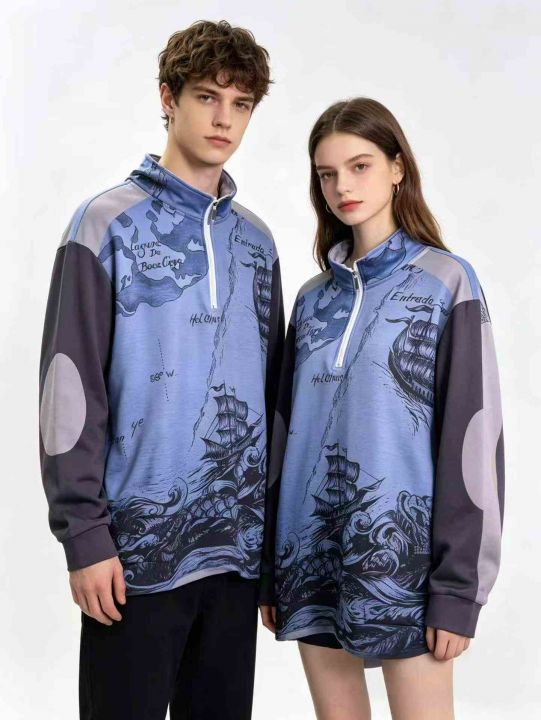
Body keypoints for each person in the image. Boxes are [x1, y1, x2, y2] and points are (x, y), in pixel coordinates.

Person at [38, 20, 284, 720]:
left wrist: (272, 550)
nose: (224, 119)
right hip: (133, 560)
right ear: (168, 99)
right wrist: (85, 537)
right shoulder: (103, 225)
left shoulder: (257, 243)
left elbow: (274, 402)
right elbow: (68, 389)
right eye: (207, 97)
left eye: (241, 104)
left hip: (235, 559)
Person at [259, 97, 505, 720]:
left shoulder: (447, 282)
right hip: (310, 559)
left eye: (360, 166)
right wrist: (271, 571)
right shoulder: (311, 302)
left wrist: (457, 592)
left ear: (398, 168)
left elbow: (472, 443)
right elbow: (284, 440)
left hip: (407, 571)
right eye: (327, 174)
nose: (343, 186)